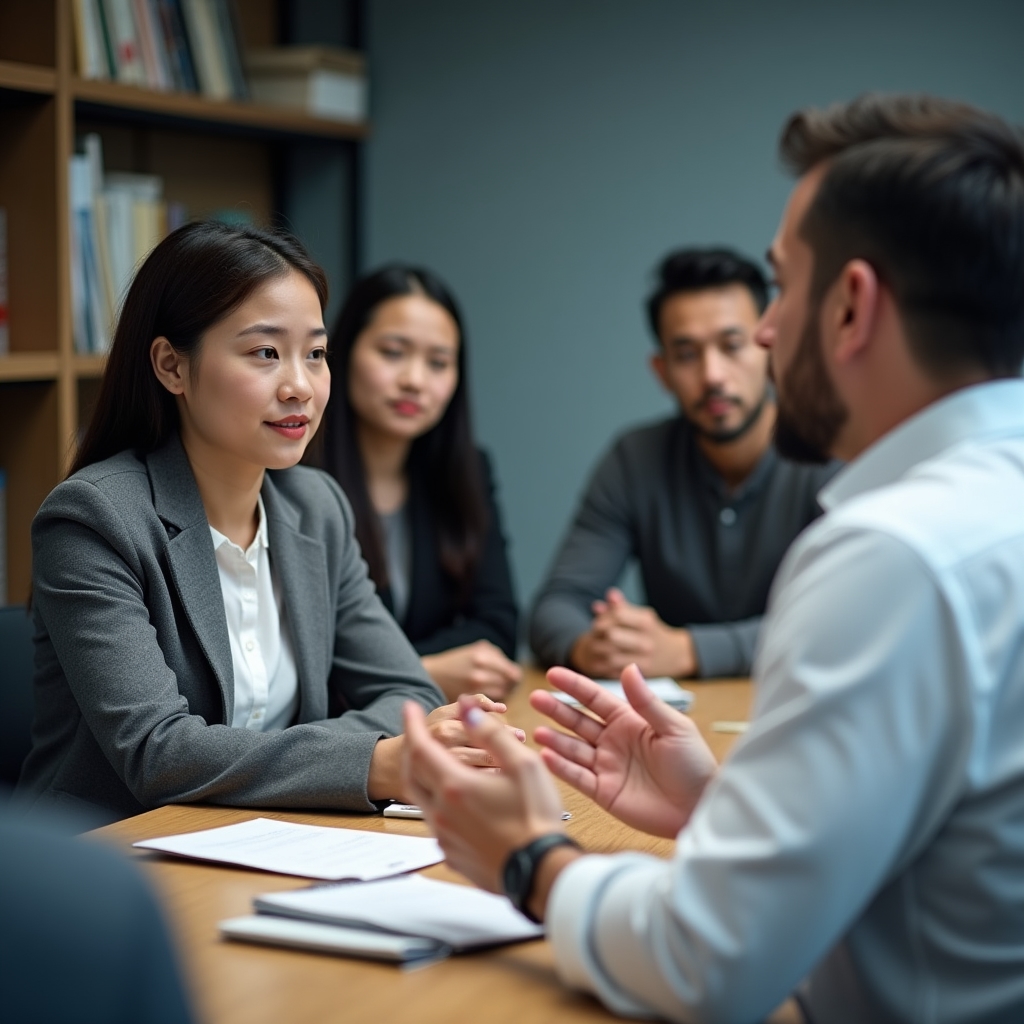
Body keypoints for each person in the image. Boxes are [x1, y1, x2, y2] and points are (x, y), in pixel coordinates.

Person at [402, 93, 1024, 1023]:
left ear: (851, 306)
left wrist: (527, 857)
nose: (766, 337)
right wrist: (726, 807)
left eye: (781, 288)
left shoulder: (894, 555)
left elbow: (708, 965)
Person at [17, 222, 510, 826]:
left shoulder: (316, 508)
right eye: (265, 353)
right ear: (172, 366)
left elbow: (409, 693)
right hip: (111, 849)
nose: (300, 386)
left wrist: (338, 759)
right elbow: (157, 752)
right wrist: (375, 761)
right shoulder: (95, 519)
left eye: (316, 354)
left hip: (273, 834)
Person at [529, 247, 838, 680]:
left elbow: (849, 618)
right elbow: (556, 605)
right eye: (687, 354)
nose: (712, 375)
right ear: (662, 371)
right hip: (680, 714)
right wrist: (593, 647)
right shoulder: (635, 460)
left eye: (732, 346)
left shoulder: (832, 451)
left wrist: (690, 651)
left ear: (770, 346)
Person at [321, 264, 521, 701]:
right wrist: (422, 671)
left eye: (438, 363)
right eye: (393, 352)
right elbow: (300, 660)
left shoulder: (468, 471)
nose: (414, 380)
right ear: (343, 350)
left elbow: (497, 626)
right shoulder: (296, 480)